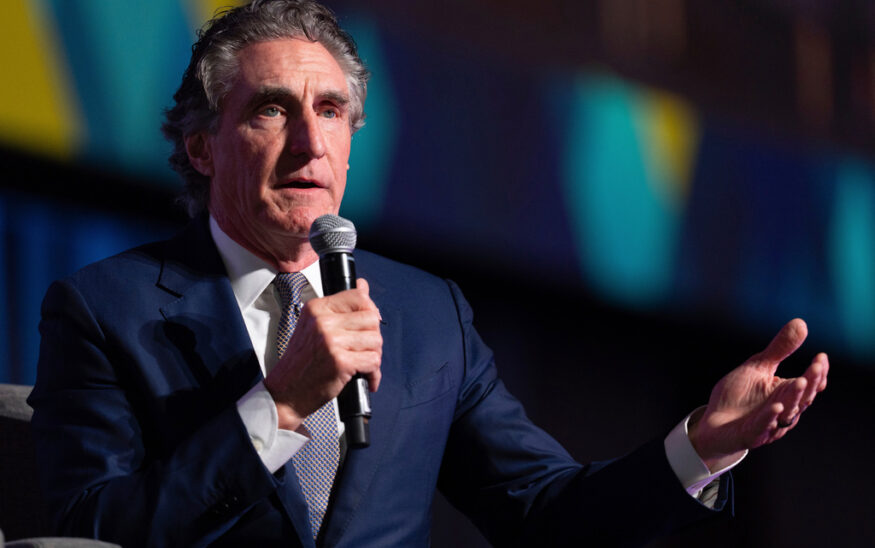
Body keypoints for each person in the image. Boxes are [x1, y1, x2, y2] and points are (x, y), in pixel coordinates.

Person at [28, 1, 829, 546]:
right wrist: (277, 406)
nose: (310, 143)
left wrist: (700, 448)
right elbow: (92, 532)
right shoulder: (104, 309)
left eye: (332, 111)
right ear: (203, 146)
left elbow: (547, 517)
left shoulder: (425, 314)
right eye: (272, 109)